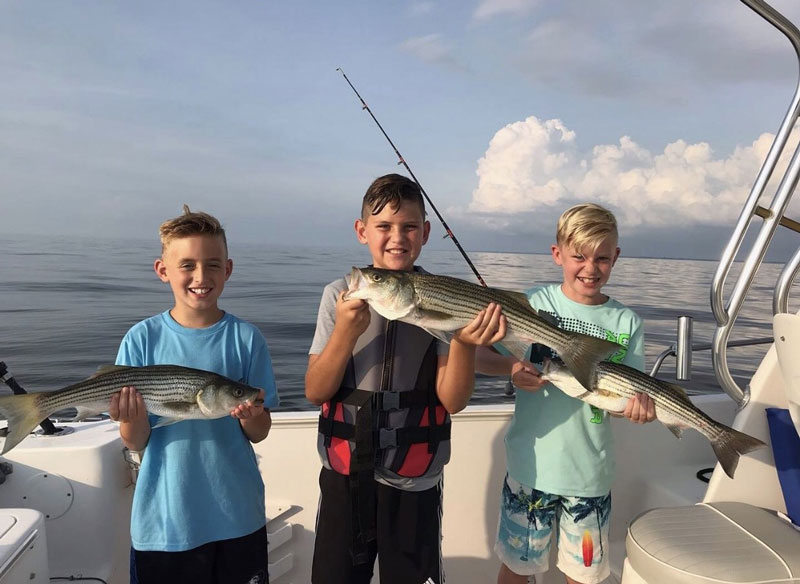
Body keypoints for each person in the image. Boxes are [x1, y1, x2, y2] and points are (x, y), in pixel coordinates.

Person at [305, 173, 506, 584]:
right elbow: (315, 390)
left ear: (426, 233)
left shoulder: (444, 296)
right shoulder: (337, 296)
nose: (397, 237)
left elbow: (453, 401)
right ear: (362, 232)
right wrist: (345, 331)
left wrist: (465, 343)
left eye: (409, 226)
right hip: (346, 477)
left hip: (415, 480)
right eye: (383, 226)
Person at [477, 203, 656, 584]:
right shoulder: (534, 304)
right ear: (557, 254)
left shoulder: (627, 322)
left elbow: (628, 396)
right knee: (516, 570)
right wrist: (511, 369)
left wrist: (638, 409)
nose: (590, 269)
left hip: (590, 475)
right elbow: (480, 356)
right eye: (579, 256)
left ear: (616, 258)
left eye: (602, 258)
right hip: (531, 467)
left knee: (583, 576)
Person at [109, 205, 279, 584]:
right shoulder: (141, 339)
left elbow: (260, 430)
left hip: (237, 516)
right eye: (187, 265)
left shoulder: (246, 339)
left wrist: (253, 416)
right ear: (162, 270)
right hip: (165, 523)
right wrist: (131, 418)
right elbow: (134, 440)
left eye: (213, 264)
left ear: (228, 269)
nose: (201, 276)